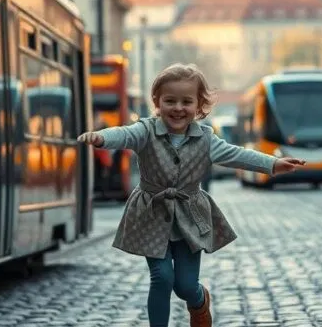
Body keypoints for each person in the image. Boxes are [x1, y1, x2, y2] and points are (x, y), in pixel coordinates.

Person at [77, 63, 306, 327]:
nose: (178, 108)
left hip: (190, 216)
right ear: (157, 102)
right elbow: (124, 134)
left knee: (185, 285)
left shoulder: (206, 139)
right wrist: (101, 137)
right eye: (170, 101)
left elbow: (237, 155)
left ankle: (199, 300)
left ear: (199, 106)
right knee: (161, 278)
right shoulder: (145, 130)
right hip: (153, 212)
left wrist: (273, 163)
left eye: (186, 101)